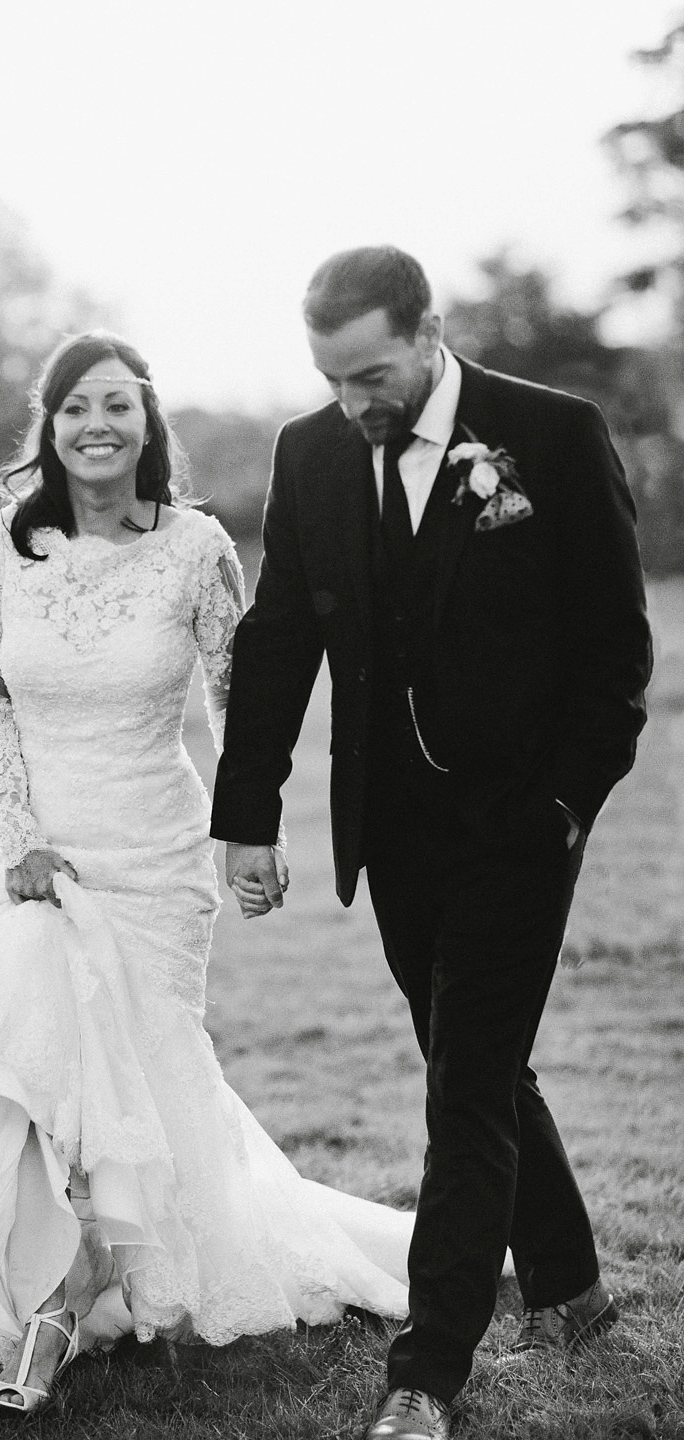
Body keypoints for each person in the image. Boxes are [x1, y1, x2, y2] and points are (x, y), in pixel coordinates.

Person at [0, 331, 419, 1418]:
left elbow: (240, 703)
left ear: (147, 421)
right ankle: (57, 1291)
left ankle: (88, 1288)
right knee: (33, 1075)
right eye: (76, 405)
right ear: (50, 424)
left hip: (156, 854)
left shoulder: (196, 549)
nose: (97, 424)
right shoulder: (3, 544)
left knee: (137, 1078)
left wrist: (248, 829)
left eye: (118, 405)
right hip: (37, 853)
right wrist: (20, 828)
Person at [210, 247, 652, 1440]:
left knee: (463, 1085)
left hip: (519, 829)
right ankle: (571, 1291)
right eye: (332, 378)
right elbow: (279, 639)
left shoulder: (551, 435)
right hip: (390, 834)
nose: (355, 403)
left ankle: (428, 1372)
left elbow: (616, 657)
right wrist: (247, 813)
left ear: (428, 330)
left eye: (371, 374)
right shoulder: (308, 454)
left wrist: (562, 811)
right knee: (477, 1059)